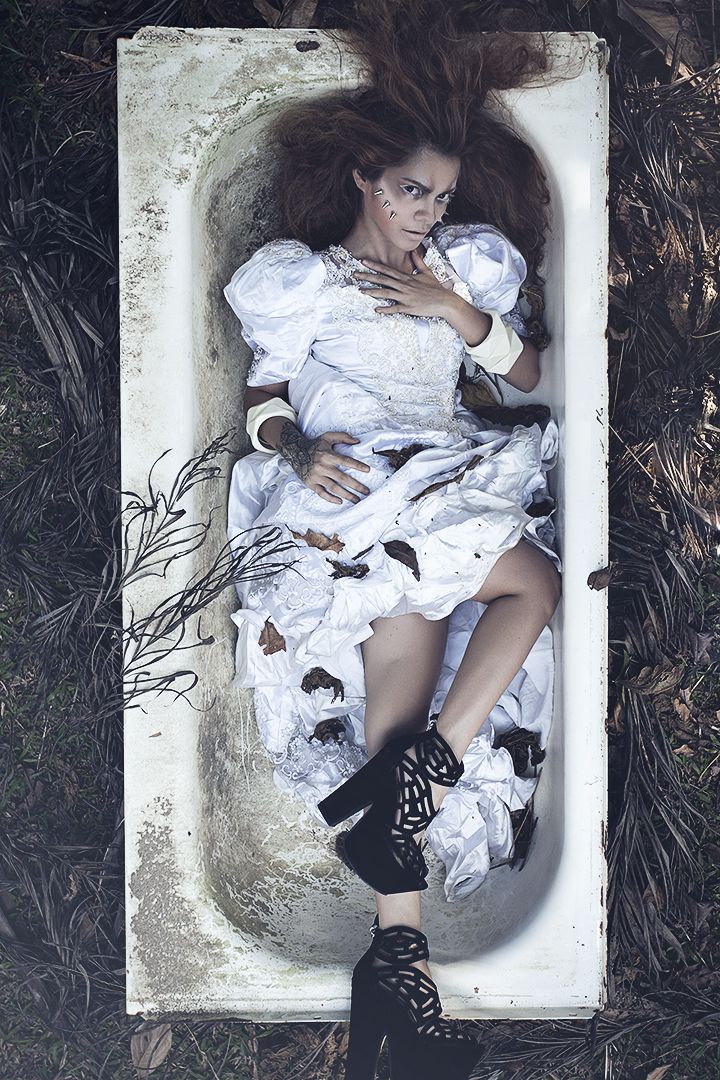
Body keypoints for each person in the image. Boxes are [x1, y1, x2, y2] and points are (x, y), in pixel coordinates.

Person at [224, 3, 563, 1076]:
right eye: (412, 189)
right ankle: (416, 823)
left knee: (404, 721)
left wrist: (448, 310)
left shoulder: (457, 274)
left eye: (442, 196)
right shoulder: (306, 280)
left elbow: (526, 377)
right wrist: (294, 448)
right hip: (358, 490)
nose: (427, 210)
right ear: (368, 180)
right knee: (528, 592)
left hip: (439, 483)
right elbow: (262, 399)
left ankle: (397, 971)